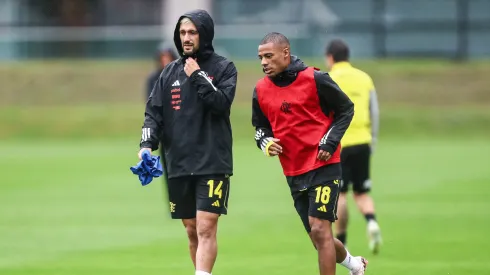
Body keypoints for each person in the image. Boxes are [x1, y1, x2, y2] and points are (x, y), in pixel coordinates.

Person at [252, 32, 367, 275]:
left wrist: (329, 141)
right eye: (260, 57)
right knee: (317, 238)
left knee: (320, 229)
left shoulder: (315, 78)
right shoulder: (260, 90)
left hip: (324, 165)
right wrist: (265, 142)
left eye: (269, 56)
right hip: (293, 170)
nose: (263, 62)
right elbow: (260, 128)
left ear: (286, 53)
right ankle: (355, 265)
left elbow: (346, 109)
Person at [137, 9, 238, 275]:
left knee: (206, 226)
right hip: (179, 163)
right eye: (182, 33)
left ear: (204, 33)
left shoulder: (224, 68)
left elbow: (221, 104)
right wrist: (146, 145)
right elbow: (153, 114)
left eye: (192, 32)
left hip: (212, 161)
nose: (186, 38)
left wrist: (197, 76)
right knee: (191, 229)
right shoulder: (168, 73)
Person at [325, 39, 382, 254]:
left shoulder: (329, 78)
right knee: (362, 191)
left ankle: (342, 241)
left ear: (330, 57)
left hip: (339, 144)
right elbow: (374, 111)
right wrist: (372, 140)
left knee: (340, 194)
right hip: (363, 141)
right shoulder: (364, 78)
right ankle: (372, 222)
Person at [144, 43, 179, 184]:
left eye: (168, 57)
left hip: (182, 130)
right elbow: (151, 106)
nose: (165, 60)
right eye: (162, 57)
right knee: (169, 172)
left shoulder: (180, 76)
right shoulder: (154, 79)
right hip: (165, 132)